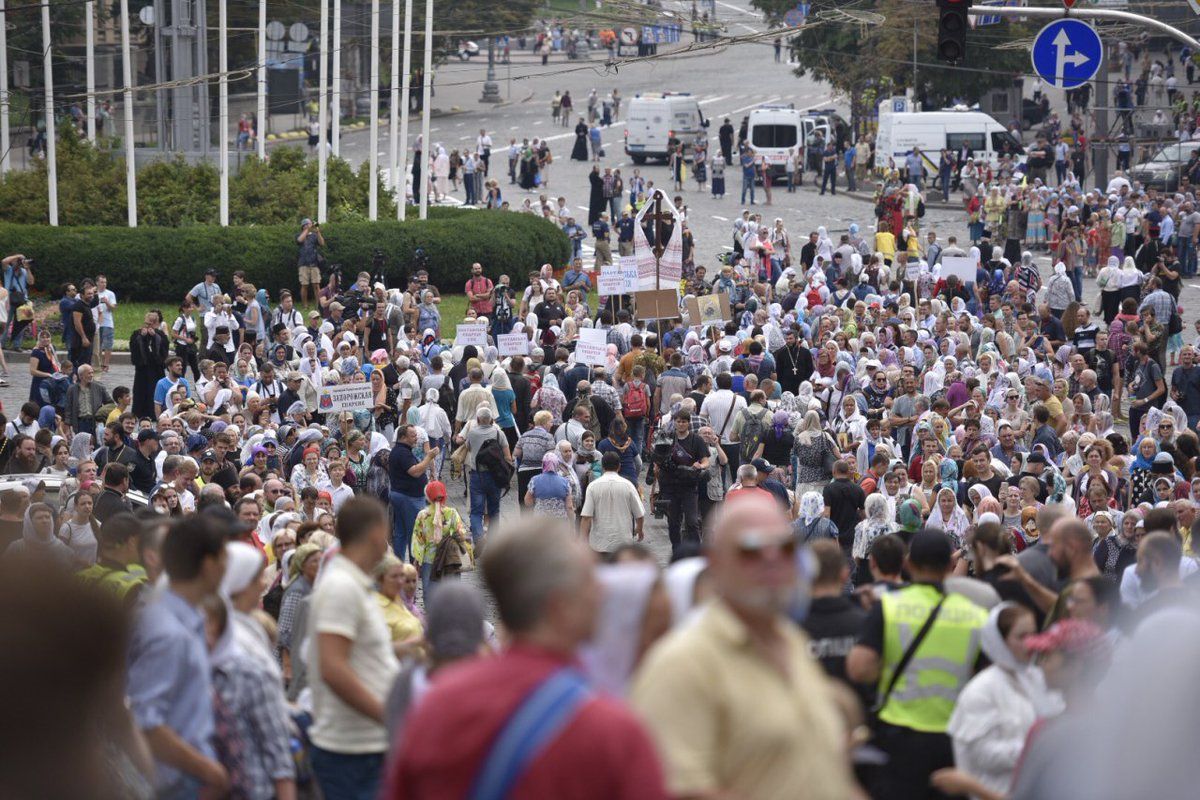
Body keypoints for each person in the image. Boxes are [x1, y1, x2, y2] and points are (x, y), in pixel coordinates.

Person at [382, 517, 669, 799]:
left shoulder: (436, 706)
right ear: (560, 606)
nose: (603, 588)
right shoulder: (613, 733)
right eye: (590, 580)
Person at [631, 492, 854, 797]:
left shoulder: (792, 641)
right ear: (715, 563)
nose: (772, 559)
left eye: (785, 547)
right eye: (751, 550)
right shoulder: (682, 664)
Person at [847, 528, 989, 800]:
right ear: (950, 565)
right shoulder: (975, 616)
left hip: (899, 735)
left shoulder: (888, 606)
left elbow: (859, 668)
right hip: (951, 738)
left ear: (908, 564)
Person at [127, 514, 231, 799]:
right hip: (180, 783)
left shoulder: (189, 619)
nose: (227, 567)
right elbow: (146, 721)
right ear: (208, 566)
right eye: (224, 558)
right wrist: (206, 769)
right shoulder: (168, 633)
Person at [307, 497, 398, 800]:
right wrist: (389, 716)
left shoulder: (353, 583)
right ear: (376, 533)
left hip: (366, 747)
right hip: (351, 751)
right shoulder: (341, 586)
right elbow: (333, 667)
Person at [946, 602, 1055, 798]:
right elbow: (981, 754)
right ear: (999, 641)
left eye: (1034, 634)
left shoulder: (1038, 677)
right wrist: (1036, 750)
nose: (1031, 643)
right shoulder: (982, 689)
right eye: (1021, 636)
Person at [388, 423, 438, 562]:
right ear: (403, 437)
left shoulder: (401, 451)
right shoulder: (402, 452)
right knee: (413, 533)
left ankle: (398, 562)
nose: (416, 438)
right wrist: (429, 457)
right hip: (408, 497)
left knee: (401, 532)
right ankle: (414, 564)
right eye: (413, 435)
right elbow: (415, 472)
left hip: (402, 495)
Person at [580, 450, 645, 554]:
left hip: (599, 543)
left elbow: (586, 517)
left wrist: (582, 542)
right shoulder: (628, 486)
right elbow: (639, 515)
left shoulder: (592, 487)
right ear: (619, 466)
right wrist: (639, 530)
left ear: (602, 466)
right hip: (623, 544)